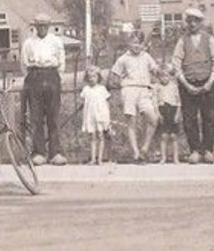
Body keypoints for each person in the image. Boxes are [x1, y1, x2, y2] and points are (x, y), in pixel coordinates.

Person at [170, 7, 214, 163]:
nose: (192, 24)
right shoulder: (182, 41)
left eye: (195, 21)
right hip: (188, 85)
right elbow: (176, 63)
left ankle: (208, 150)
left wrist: (210, 81)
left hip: (207, 83)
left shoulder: (209, 39)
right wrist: (186, 84)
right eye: (189, 21)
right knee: (189, 118)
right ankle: (195, 150)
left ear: (200, 23)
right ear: (187, 23)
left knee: (209, 117)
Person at [21, 13, 68, 166]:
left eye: (45, 25)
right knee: (36, 117)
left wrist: (57, 77)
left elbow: (61, 61)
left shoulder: (56, 41)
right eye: (39, 25)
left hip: (52, 75)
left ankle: (55, 153)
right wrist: (31, 78)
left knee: (53, 117)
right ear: (34, 26)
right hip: (35, 75)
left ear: (49, 26)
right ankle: (39, 152)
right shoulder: (28, 43)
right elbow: (24, 64)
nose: (42, 28)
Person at [109, 31, 161, 162]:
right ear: (129, 43)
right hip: (129, 89)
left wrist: (160, 71)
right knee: (131, 122)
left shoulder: (147, 57)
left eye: (139, 43)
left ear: (143, 44)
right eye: (134, 42)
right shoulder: (123, 59)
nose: (136, 46)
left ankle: (144, 148)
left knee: (153, 119)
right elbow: (114, 75)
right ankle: (136, 153)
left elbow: (155, 70)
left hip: (144, 89)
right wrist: (122, 85)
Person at [78, 67, 111, 165]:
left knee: (101, 136)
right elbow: (84, 102)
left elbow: (107, 103)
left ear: (98, 77)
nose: (91, 79)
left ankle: (100, 158)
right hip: (90, 116)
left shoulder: (102, 89)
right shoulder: (86, 89)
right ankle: (93, 158)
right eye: (89, 77)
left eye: (94, 76)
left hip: (100, 115)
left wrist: (107, 118)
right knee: (92, 137)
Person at [155, 65, 182, 164]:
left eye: (167, 76)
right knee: (164, 136)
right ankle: (163, 158)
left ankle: (175, 158)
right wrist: (158, 114)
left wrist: (177, 114)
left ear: (170, 76)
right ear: (158, 77)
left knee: (174, 136)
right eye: (162, 76)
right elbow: (155, 101)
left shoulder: (174, 86)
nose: (164, 78)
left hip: (173, 110)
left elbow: (179, 102)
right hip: (162, 110)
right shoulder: (157, 87)